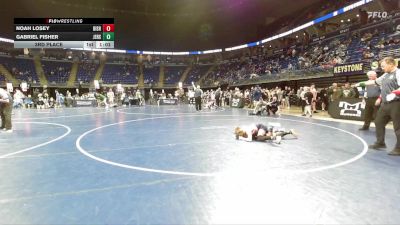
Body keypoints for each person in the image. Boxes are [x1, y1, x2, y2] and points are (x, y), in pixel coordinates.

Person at [354, 57, 400, 155]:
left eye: (383, 66)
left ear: (391, 64)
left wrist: (395, 93)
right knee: (378, 122)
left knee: (398, 127)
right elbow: (374, 82)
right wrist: (360, 83)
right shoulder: (386, 74)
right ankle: (380, 143)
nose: (382, 68)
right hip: (385, 103)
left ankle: (399, 148)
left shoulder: (398, 73)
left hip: (397, 103)